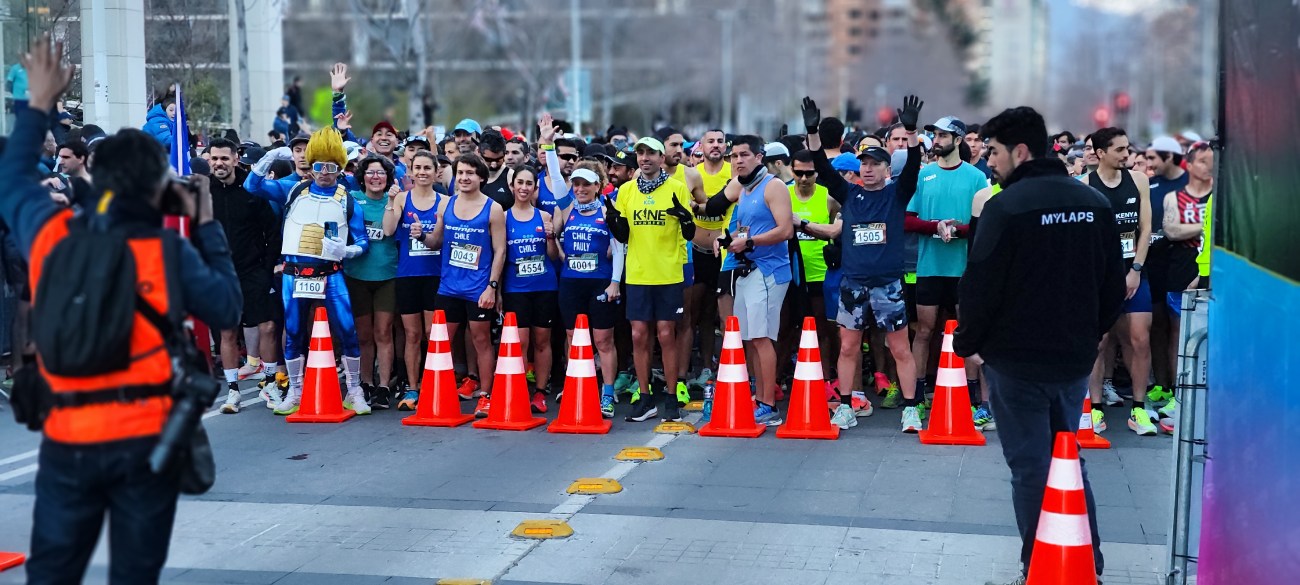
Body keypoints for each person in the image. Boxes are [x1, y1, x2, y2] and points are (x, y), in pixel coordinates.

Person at [2, 35, 240, 583]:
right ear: (160, 187)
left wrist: (35, 104)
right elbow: (227, 310)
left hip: (68, 437)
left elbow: (11, 178)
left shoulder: (51, 236)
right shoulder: (168, 250)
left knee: (53, 573)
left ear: (92, 179)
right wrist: (205, 224)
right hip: (145, 441)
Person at [954, 106, 1120, 585]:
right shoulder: (1094, 203)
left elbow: (979, 287)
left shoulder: (1005, 207)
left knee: (1030, 468)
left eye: (994, 152)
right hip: (1072, 360)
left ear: (1021, 151)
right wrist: (1090, 333)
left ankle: (1041, 567)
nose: (990, 163)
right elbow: (1115, 285)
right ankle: (1087, 564)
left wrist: (969, 343)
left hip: (1016, 362)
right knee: (1068, 459)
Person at [804, 94, 925, 433]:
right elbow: (822, 166)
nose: (868, 169)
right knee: (848, 346)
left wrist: (912, 130)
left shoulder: (897, 194)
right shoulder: (849, 194)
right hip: (853, 283)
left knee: (900, 347)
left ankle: (911, 408)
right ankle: (845, 406)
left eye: (875, 164)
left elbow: (914, 163)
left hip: (888, 284)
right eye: (864, 164)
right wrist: (813, 131)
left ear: (887, 169)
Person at [248, 127, 372, 416]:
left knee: (348, 330)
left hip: (331, 273)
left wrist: (347, 251)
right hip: (294, 274)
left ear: (340, 167)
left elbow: (363, 241)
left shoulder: (348, 199)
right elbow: (252, 187)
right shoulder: (294, 189)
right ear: (311, 165)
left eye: (331, 166)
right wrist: (269, 157)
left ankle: (354, 390)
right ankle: (296, 390)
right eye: (319, 165)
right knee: (292, 332)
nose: (325, 172)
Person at [905, 116, 991, 427]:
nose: (936, 140)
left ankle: (974, 401)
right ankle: (915, 398)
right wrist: (935, 227)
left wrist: (957, 230)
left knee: (966, 332)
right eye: (935, 135)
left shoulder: (976, 178)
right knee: (924, 330)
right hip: (929, 267)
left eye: (943, 135)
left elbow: (985, 224)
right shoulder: (924, 175)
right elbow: (908, 219)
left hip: (964, 269)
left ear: (958, 140)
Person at [702, 135, 793, 425]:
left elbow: (786, 230)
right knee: (751, 338)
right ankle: (760, 396)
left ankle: (768, 404)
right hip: (746, 270)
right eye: (734, 156)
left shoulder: (773, 186)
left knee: (762, 338)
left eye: (744, 155)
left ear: (759, 157)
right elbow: (742, 228)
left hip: (768, 271)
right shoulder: (744, 188)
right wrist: (725, 238)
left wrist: (750, 242)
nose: (738, 160)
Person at [608, 136, 695, 423]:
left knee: (666, 334)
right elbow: (622, 236)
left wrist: (685, 219)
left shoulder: (678, 188)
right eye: (640, 153)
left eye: (651, 153)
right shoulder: (626, 191)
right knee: (638, 335)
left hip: (668, 273)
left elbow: (689, 233)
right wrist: (613, 221)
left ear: (661, 158)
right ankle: (645, 398)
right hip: (638, 273)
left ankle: (671, 397)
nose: (645, 158)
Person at [1084, 127, 1157, 436]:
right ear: (1101, 153)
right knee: (1097, 343)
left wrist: (1136, 269)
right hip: (1099, 276)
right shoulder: (1085, 185)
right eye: (1120, 150)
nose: (1127, 155)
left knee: (1139, 338)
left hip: (1133, 271)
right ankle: (1096, 409)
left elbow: (1145, 228)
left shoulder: (1138, 180)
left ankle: (1139, 409)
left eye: (1128, 148)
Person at [207, 138, 284, 414]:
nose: (219, 163)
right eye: (214, 158)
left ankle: (270, 383)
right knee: (227, 332)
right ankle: (233, 392)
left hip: (254, 271)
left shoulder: (252, 188)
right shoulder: (202, 191)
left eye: (224, 158)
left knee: (268, 328)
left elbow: (272, 232)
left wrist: (268, 268)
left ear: (235, 159)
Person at [428, 153, 507, 418]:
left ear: (481, 177)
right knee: (440, 340)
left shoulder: (493, 208)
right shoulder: (445, 205)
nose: (464, 178)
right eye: (460, 172)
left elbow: (500, 251)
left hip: (478, 289)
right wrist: (422, 236)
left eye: (470, 173)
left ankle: (485, 395)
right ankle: (439, 391)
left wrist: (491, 287)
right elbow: (436, 242)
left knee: (481, 341)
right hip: (448, 287)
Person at [555, 162, 626, 418]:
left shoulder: (608, 209)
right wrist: (549, 146)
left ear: (598, 186)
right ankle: (577, 385)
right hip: (571, 283)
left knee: (603, 340)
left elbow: (618, 248)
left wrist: (615, 282)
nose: (581, 188)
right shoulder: (567, 208)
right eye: (576, 183)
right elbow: (554, 176)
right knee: (574, 338)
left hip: (600, 282)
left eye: (587, 184)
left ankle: (607, 393)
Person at [1155, 141, 1212, 432]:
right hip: (1180, 272)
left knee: (1208, 337)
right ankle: (1179, 394)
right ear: (1190, 164)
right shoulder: (1174, 197)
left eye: (1211, 161)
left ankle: (1198, 399)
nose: (1208, 166)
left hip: (1207, 274)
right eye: (1202, 161)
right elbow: (1171, 230)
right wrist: (1206, 226)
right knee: (1180, 335)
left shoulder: (1220, 196)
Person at [383, 150, 445, 411]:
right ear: (409, 171)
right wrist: (389, 201)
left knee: (433, 334)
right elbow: (387, 230)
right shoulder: (401, 199)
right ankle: (412, 386)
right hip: (408, 275)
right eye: (417, 167)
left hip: (435, 275)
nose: (422, 172)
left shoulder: (444, 201)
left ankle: (435, 383)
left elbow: (441, 241)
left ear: (435, 171)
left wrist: (425, 235)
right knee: (412, 334)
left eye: (427, 168)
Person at [500, 163, 559, 413]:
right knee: (520, 342)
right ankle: (520, 389)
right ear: (512, 186)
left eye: (529, 184)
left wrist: (551, 237)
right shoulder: (503, 218)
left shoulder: (544, 217)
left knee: (543, 340)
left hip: (544, 286)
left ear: (535, 188)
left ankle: (541, 392)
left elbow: (553, 257)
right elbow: (500, 256)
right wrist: (498, 291)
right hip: (515, 289)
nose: (524, 188)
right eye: (520, 183)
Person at [346, 155, 400, 409]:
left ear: (389, 178)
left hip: (387, 276)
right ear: (362, 177)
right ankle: (365, 382)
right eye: (370, 173)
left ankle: (383, 385)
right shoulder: (352, 200)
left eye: (381, 173)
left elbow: (391, 231)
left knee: (383, 332)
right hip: (356, 275)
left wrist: (391, 200)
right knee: (364, 335)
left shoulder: (395, 202)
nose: (375, 177)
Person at [1143, 135, 1189, 392]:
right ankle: (1161, 385)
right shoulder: (1149, 186)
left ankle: (1178, 389)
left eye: (1152, 157)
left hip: (1181, 264)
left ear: (1169, 156)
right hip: (1153, 263)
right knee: (1156, 327)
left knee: (1177, 328)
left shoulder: (1192, 183)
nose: (1148, 163)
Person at [480, 130, 513, 208]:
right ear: (479, 153)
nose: (493, 165)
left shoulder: (511, 177)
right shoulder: (468, 176)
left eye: (498, 160)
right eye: (488, 160)